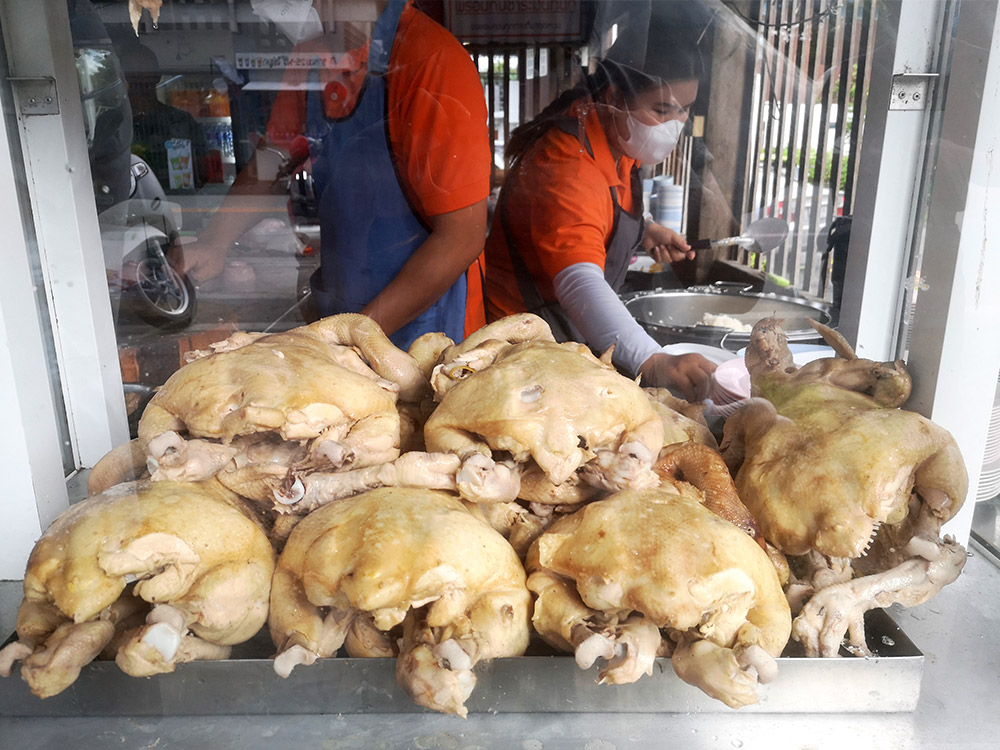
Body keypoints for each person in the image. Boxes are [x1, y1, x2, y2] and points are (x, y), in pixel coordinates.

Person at [176, 0, 491, 349]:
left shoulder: (432, 61)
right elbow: (274, 161)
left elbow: (462, 236)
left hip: (427, 324)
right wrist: (215, 241)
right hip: (345, 305)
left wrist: (355, 339)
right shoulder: (311, 56)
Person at [483, 5, 717, 402]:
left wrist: (644, 231)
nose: (675, 123)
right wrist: (653, 360)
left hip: (568, 334)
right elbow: (579, 282)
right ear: (614, 97)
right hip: (522, 345)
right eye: (662, 109)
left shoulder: (615, 135)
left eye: (685, 109)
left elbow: (602, 206)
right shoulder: (566, 165)